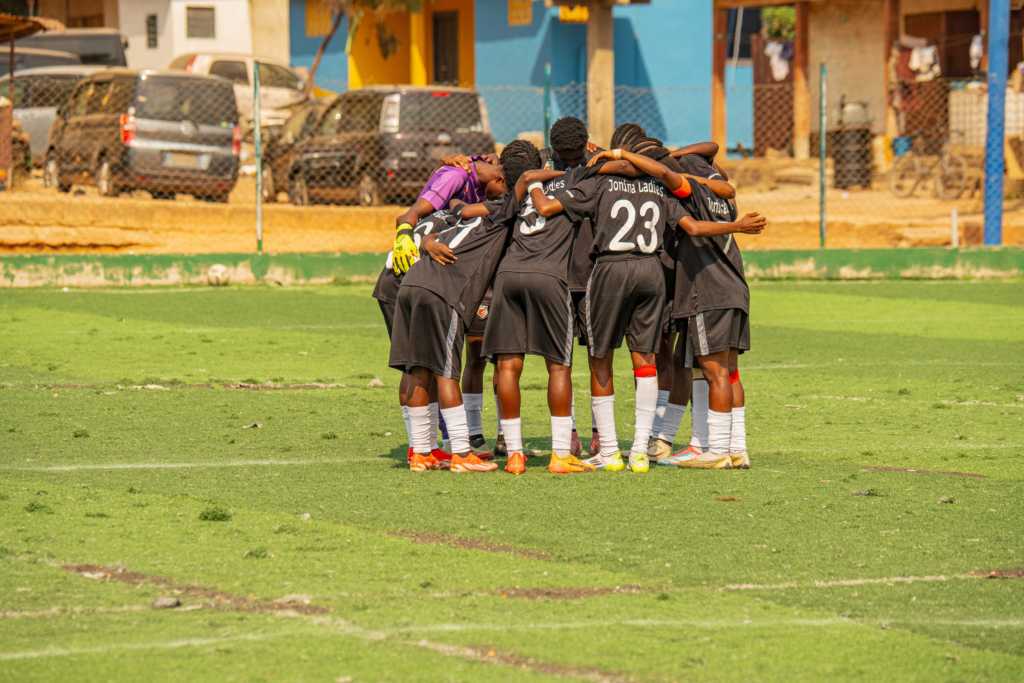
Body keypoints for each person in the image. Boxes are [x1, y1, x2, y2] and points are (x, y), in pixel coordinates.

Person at [530, 147, 763, 473]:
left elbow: (548, 207)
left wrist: (532, 182)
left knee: (601, 359)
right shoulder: (663, 188)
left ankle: (610, 451)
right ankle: (642, 450)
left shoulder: (601, 181)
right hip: (653, 271)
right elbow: (719, 189)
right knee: (649, 361)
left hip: (612, 268)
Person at [483, 153, 647, 475]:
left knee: (507, 366)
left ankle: (514, 455)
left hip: (508, 275)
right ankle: (560, 455)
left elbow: (483, 212)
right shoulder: (576, 180)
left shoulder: (518, 190)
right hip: (549, 277)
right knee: (559, 366)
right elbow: (621, 168)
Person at [389, 150, 539, 472]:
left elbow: (454, 208)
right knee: (447, 372)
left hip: (412, 282)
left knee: (419, 369)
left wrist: (428, 239)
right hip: (443, 291)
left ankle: (420, 453)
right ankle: (460, 452)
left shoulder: (468, 209)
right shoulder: (504, 207)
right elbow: (525, 179)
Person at [669, 152, 758, 470]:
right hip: (736, 291)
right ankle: (737, 449)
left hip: (710, 294)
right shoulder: (725, 201)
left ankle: (716, 450)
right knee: (731, 371)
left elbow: (692, 228)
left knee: (713, 372)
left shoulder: (690, 199)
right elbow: (714, 154)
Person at [372, 209, 459, 464]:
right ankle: (419, 448)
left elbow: (401, 219)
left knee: (415, 366)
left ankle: (423, 446)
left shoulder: (435, 208)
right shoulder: (463, 216)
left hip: (392, 282)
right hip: (408, 286)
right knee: (418, 366)